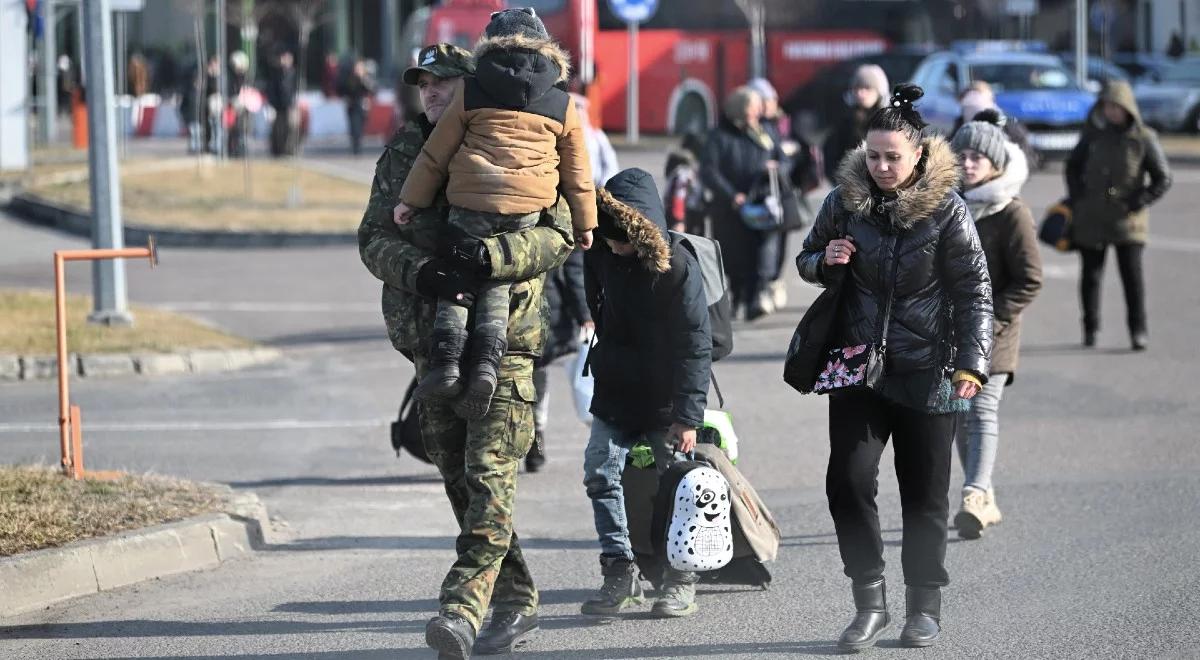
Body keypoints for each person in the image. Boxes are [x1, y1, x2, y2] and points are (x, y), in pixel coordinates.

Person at [358, 42, 576, 658]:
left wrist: (490, 257)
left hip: (503, 346)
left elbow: (558, 233)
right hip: (432, 344)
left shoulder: (518, 138)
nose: (430, 93)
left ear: (472, 87)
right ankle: (516, 597)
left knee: (489, 476)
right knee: (459, 479)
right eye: (422, 84)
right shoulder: (403, 152)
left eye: (443, 82)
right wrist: (421, 273)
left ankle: (461, 609)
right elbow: (372, 238)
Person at [796, 83, 993, 650]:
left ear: (917, 157)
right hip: (858, 366)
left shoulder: (947, 209)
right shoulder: (843, 202)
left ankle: (923, 608)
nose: (881, 167)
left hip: (930, 369)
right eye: (873, 156)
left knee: (925, 496)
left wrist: (971, 364)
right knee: (848, 482)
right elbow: (807, 258)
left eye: (892, 157)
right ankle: (869, 602)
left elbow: (975, 291)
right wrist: (822, 260)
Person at [395, 8, 597, 420]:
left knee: (460, 268)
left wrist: (409, 201)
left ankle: (448, 361)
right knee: (500, 279)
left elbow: (437, 154)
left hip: (474, 197)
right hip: (529, 203)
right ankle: (487, 362)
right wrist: (585, 223)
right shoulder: (562, 102)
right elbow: (578, 171)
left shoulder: (471, 90)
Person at [581, 167, 712, 620]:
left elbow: (696, 342)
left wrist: (688, 415)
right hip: (617, 388)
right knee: (599, 471)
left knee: (678, 486)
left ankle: (681, 580)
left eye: (621, 239)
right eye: (608, 238)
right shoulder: (599, 250)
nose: (614, 247)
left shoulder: (677, 266)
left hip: (667, 397)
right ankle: (620, 573)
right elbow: (597, 304)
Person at [950, 111, 1043, 540]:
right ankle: (983, 492)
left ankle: (972, 494)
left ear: (995, 163)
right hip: (950, 330)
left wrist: (991, 318)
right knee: (957, 414)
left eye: (978, 158)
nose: (969, 164)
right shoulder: (947, 205)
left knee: (981, 410)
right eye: (963, 156)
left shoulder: (1012, 212)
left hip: (996, 332)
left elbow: (1029, 279)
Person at [1066, 80, 1171, 350]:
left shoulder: (1144, 138)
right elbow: (1072, 167)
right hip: (1091, 218)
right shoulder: (1092, 135)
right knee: (1091, 276)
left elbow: (1163, 178)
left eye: (1116, 106)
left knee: (1132, 278)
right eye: (1107, 106)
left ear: (1128, 108)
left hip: (1128, 221)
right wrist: (1079, 198)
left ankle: (1138, 331)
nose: (1111, 112)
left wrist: (1139, 200)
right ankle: (1090, 329)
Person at [701, 86, 783, 320]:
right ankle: (738, 297)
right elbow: (709, 171)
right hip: (730, 211)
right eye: (752, 108)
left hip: (762, 205)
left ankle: (755, 298)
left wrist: (776, 169)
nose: (757, 112)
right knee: (735, 257)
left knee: (761, 253)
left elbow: (782, 158)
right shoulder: (720, 137)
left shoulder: (765, 131)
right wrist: (731, 195)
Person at [525, 248, 592, 472]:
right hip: (545, 305)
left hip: (518, 304)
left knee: (531, 370)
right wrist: (585, 313)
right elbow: (574, 269)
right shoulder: (561, 215)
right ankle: (535, 432)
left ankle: (533, 433)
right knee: (537, 371)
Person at [823, 64, 889, 183]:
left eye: (867, 88)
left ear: (878, 91)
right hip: (852, 187)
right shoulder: (845, 119)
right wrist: (841, 182)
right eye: (857, 88)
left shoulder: (889, 120)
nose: (861, 93)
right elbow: (831, 154)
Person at [953, 82, 1038, 168]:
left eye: (978, 105)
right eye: (969, 107)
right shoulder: (961, 125)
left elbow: (1025, 149)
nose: (973, 112)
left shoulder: (1003, 121)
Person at [663, 131, 707, 236]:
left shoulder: (680, 167)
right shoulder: (684, 171)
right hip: (685, 218)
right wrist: (678, 221)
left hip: (684, 215)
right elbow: (679, 196)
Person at [571, 93, 619, 187]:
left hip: (596, 186)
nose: (579, 113)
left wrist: (604, 185)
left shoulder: (597, 135)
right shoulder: (563, 136)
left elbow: (610, 162)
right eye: (575, 110)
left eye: (581, 110)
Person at [266, 50, 299, 157]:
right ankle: (277, 150)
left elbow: (294, 90)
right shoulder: (276, 73)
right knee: (277, 128)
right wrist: (271, 103)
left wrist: (293, 103)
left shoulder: (293, 73)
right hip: (277, 105)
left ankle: (288, 149)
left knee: (290, 127)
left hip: (288, 104)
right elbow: (271, 88)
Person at [341, 58, 374, 156]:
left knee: (360, 127)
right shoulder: (350, 78)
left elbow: (371, 90)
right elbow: (345, 90)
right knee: (354, 126)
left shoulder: (366, 78)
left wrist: (363, 79)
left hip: (362, 106)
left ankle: (358, 145)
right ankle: (356, 147)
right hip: (352, 105)